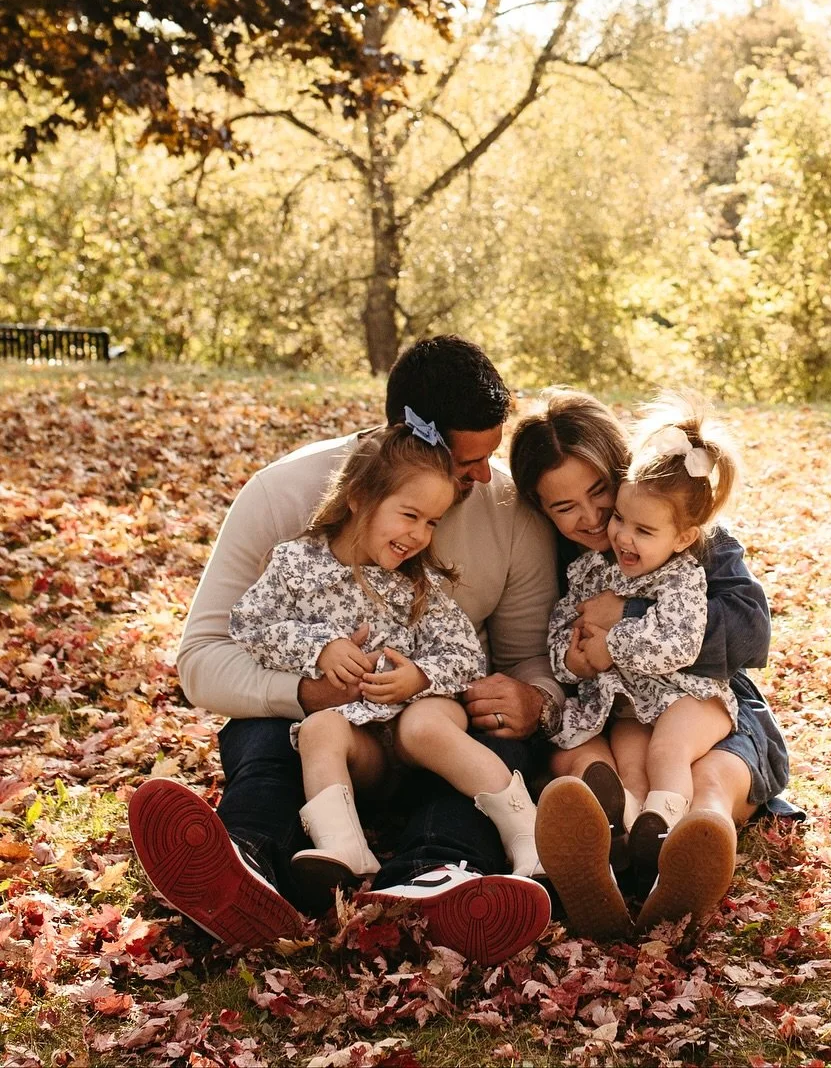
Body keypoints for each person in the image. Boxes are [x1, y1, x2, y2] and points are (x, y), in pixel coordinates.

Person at [128, 337, 558, 964]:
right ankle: (246, 864)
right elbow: (204, 656)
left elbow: (525, 659)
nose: (484, 477)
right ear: (405, 441)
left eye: (490, 455)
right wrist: (307, 690)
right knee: (273, 728)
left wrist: (532, 696)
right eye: (467, 463)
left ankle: (437, 876)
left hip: (433, 729)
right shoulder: (283, 495)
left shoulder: (507, 515)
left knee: (482, 726)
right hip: (327, 740)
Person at [509, 390, 795, 941]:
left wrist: (627, 614)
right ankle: (614, 858)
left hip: (696, 694)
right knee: (593, 763)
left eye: (600, 494)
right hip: (615, 701)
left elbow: (751, 629)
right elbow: (553, 638)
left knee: (702, 771)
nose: (595, 520)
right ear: (540, 508)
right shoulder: (559, 553)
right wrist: (569, 662)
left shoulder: (691, 533)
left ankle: (696, 845)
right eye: (565, 507)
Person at [228, 418, 541, 883]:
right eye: (410, 516)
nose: (419, 535)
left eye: (432, 522)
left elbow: (463, 653)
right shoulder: (296, 564)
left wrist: (419, 676)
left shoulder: (418, 585)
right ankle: (344, 848)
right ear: (359, 497)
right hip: (366, 745)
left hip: (419, 730)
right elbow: (248, 622)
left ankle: (530, 838)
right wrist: (320, 648)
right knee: (318, 730)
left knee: (425, 725)